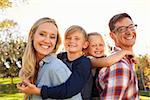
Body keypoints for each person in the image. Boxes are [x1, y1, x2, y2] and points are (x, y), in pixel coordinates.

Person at [18, 25, 92, 100]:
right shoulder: (60, 57)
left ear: (85, 44)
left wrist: (39, 91)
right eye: (68, 38)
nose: (72, 41)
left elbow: (69, 90)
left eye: (77, 39)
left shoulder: (84, 63)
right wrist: (28, 78)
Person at [96, 13, 139, 99]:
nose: (129, 32)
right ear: (112, 35)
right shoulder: (120, 65)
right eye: (122, 29)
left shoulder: (128, 60)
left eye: (131, 26)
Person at [85, 32, 136, 100]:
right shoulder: (89, 60)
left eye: (101, 45)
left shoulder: (105, 57)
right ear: (86, 48)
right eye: (93, 45)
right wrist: (125, 52)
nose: (98, 48)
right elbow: (107, 61)